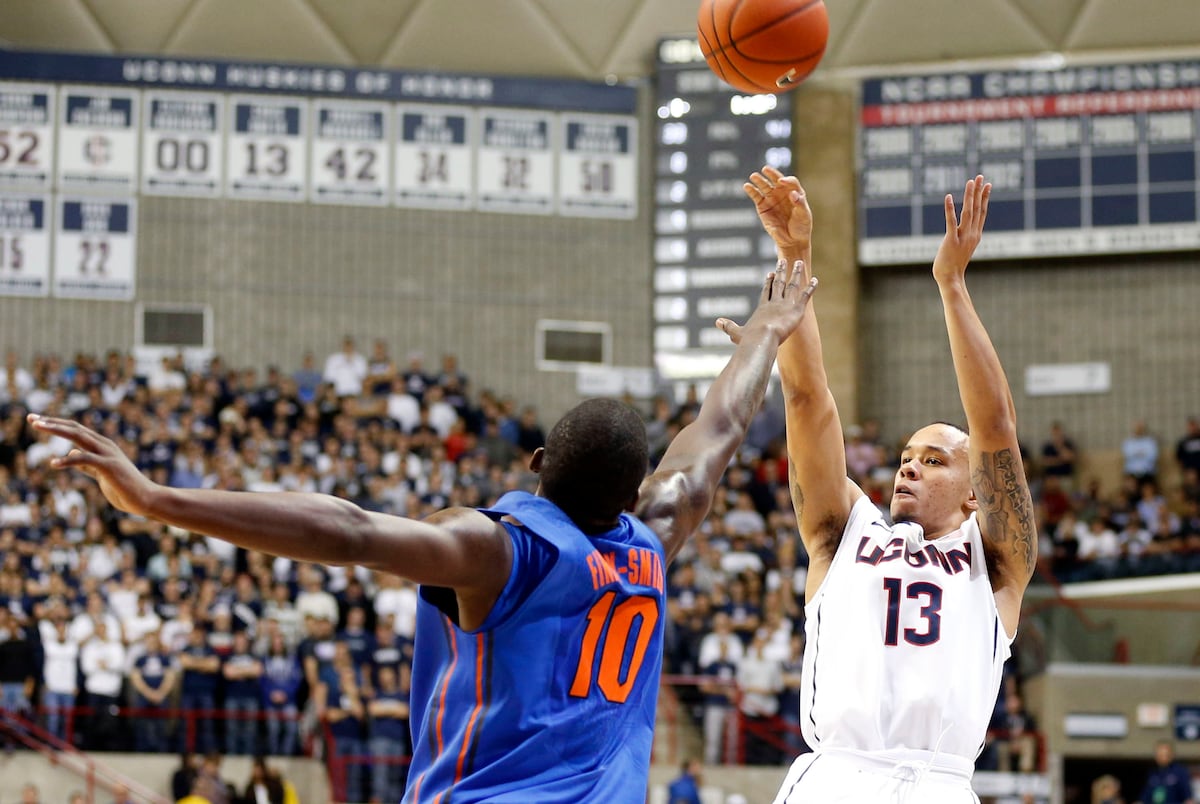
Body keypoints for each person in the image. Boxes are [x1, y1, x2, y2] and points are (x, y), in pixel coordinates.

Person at [28, 266, 816, 803]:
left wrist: (159, 498)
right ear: (631, 490)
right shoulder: (654, 536)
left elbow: (347, 530)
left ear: (536, 463)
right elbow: (717, 431)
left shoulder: (501, 550)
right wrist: (765, 335)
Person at [740, 167, 1037, 804]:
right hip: (837, 776)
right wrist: (795, 256)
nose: (910, 466)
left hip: (941, 784)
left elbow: (994, 427)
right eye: (907, 456)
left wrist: (951, 284)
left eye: (934, 460)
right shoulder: (844, 530)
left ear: (974, 493)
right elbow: (807, 399)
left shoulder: (998, 561)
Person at [1136, 740, 1195, 804]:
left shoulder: (1180, 772)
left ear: (1172, 755)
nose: (1162, 757)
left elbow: (1188, 799)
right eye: (1159, 754)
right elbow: (1144, 798)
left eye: (1165, 754)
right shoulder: (1152, 773)